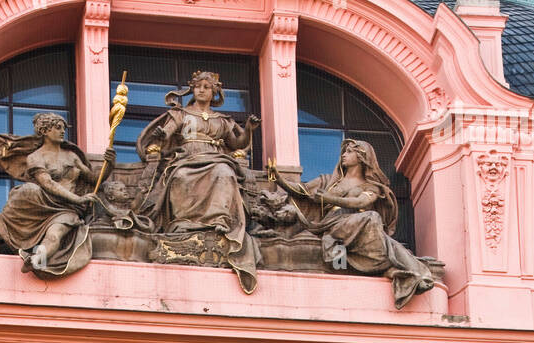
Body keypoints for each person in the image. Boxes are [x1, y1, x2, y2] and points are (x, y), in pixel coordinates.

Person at [269, 138, 442, 308]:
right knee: (379, 230)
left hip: (357, 223)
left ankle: (404, 271)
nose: (344, 154)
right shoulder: (328, 180)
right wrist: (278, 178)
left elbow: (360, 203)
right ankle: (403, 269)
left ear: (361, 157)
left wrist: (330, 198)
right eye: (344, 151)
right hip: (332, 225)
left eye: (350, 151)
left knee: (374, 219)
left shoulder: (372, 186)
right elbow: (302, 191)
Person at [137, 71, 260, 292]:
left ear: (214, 92)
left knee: (225, 173)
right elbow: (166, 134)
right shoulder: (181, 114)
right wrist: (161, 135)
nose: (201, 90)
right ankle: (183, 222)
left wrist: (249, 129)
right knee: (180, 177)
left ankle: (219, 219)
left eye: (207, 86)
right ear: (192, 90)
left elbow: (237, 143)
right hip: (186, 158)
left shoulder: (222, 120)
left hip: (215, 158)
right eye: (198, 86)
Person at [0, 112, 114, 278]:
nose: (63, 131)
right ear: (44, 131)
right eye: (58, 128)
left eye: (63, 128)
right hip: (42, 203)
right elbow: (47, 183)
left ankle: (36, 261)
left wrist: (109, 165)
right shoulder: (36, 157)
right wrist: (78, 198)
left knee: (54, 237)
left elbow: (94, 179)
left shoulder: (72, 156)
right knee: (27, 190)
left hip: (66, 209)